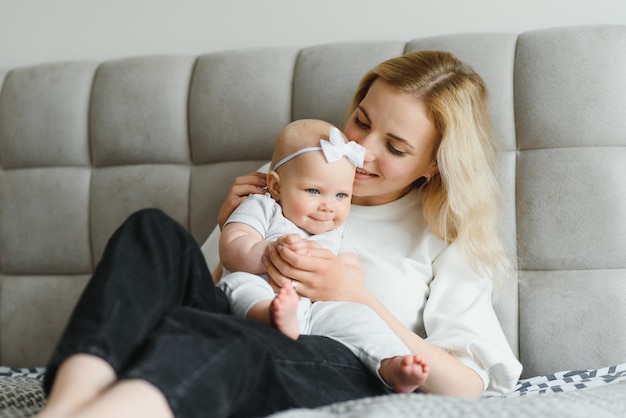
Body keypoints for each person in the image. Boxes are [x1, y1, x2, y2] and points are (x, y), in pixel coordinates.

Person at [36, 50, 523, 418]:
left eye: (394, 147)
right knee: (151, 230)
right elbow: (201, 304)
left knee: (232, 341)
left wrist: (351, 293)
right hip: (239, 319)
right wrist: (233, 232)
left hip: (339, 358)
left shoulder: (444, 236)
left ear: (433, 166)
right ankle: (65, 407)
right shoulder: (287, 174)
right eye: (361, 120)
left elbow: (467, 386)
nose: (358, 148)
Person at [218, 118, 429, 393]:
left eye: (342, 195)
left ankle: (390, 363)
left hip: (318, 311)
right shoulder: (263, 206)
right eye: (314, 191)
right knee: (240, 285)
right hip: (265, 288)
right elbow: (233, 247)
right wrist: (268, 251)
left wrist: (340, 277)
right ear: (277, 186)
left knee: (359, 317)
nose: (329, 207)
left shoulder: (335, 233)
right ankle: (269, 315)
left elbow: (352, 273)